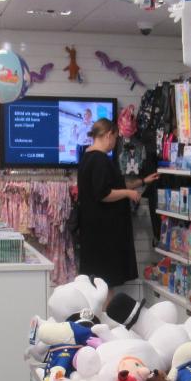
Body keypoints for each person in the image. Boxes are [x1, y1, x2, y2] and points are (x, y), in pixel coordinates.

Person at [76, 118, 156, 292]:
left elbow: (114, 185)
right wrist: (128, 193)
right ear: (108, 135)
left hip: (93, 232)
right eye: (115, 137)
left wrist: (142, 181)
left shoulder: (87, 157)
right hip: (104, 234)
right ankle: (105, 310)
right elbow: (104, 194)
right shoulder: (100, 160)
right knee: (104, 284)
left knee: (99, 284)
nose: (115, 143)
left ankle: (102, 309)